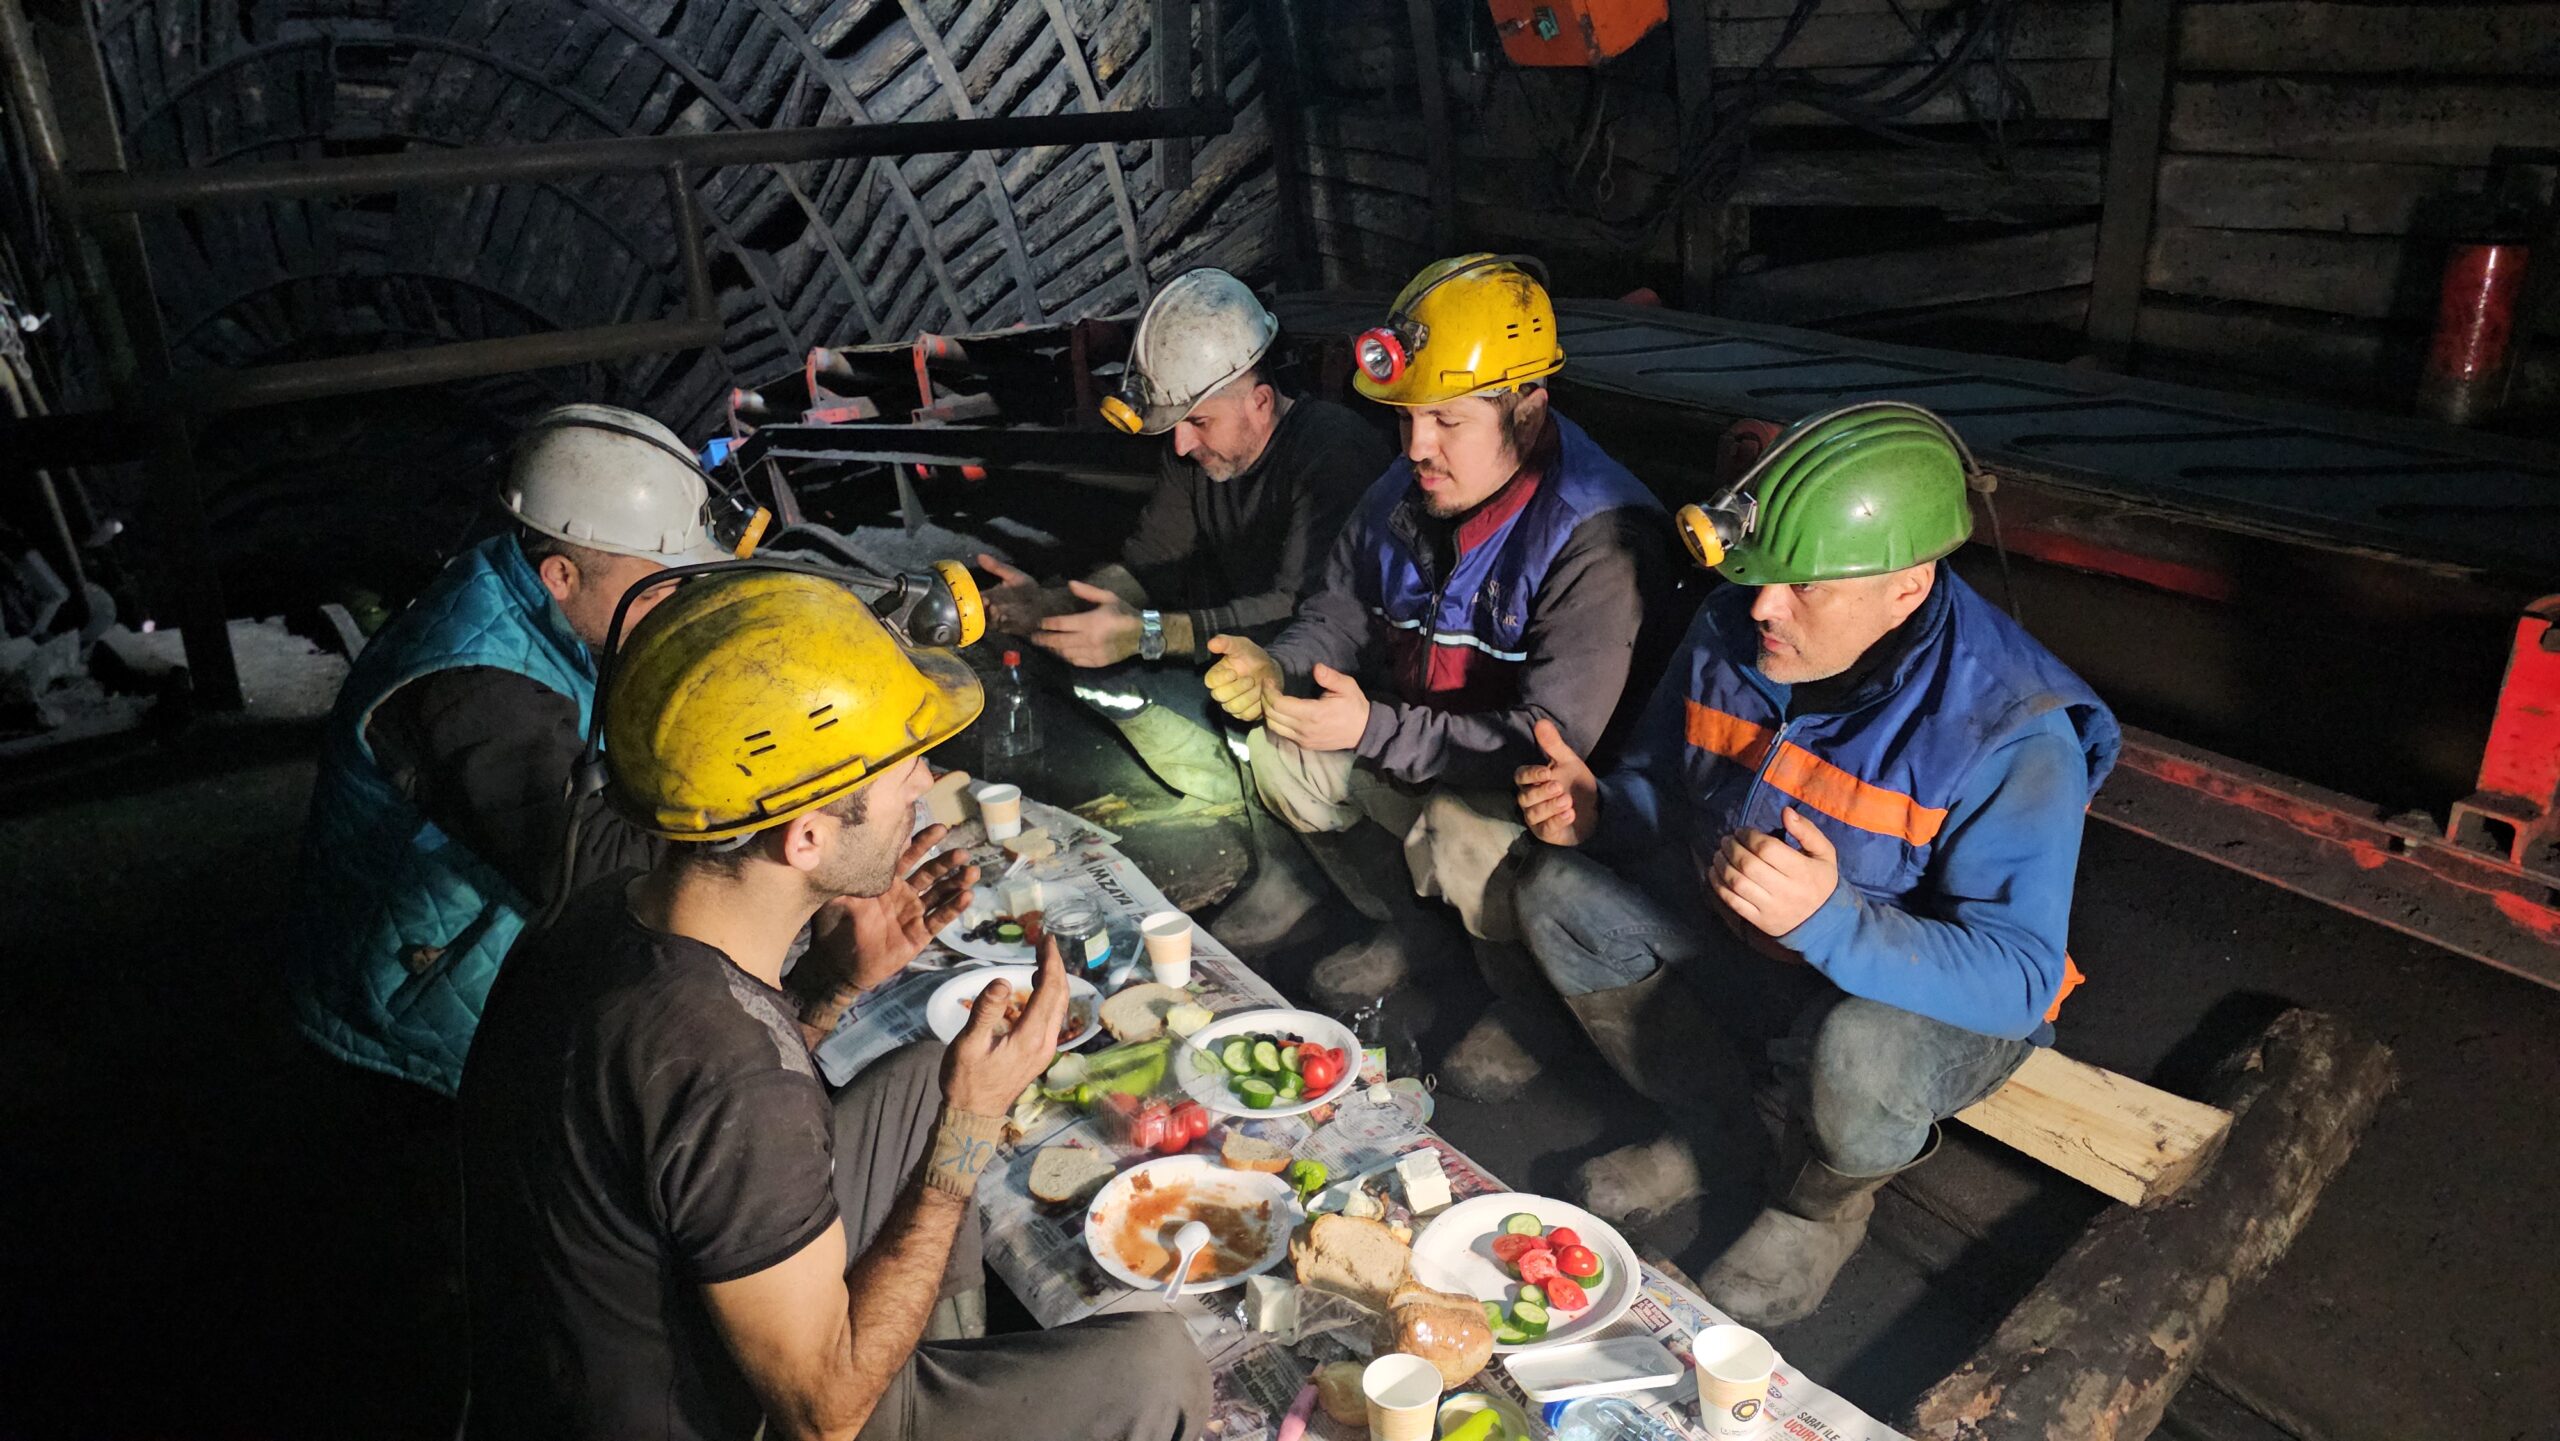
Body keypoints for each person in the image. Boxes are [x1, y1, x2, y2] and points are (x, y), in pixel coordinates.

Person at [459, 569, 1211, 1441]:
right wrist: (969, 1128)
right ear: (805, 835)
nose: (925, 782)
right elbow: (823, 1415)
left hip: (587, 1358)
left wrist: (830, 987)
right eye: (901, 769)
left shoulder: (601, 912)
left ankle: (930, 1363)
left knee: (928, 1076)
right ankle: (911, 1386)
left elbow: (694, 1138)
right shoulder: (729, 1077)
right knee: (1160, 1367)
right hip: (762, 1412)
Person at [1508, 401, 2121, 1326]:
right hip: (1756, 937)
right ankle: (1715, 1132)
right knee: (1558, 893)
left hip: (1920, 997)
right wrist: (1603, 812)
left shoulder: (2011, 729)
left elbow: (2024, 978)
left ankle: (1817, 1208)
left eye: (1805, 587)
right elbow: (1666, 794)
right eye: (1761, 578)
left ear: (1906, 588)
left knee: (1860, 1047)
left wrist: (1832, 921)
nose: (1762, 606)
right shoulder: (1734, 632)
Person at [1202, 254, 1674, 1008]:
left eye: (1446, 420)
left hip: (1539, 805)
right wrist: (1278, 666)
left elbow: (1540, 743)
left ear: (1527, 410)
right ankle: (1409, 936)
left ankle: (1523, 1012)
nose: (1416, 445)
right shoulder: (1415, 484)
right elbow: (1338, 612)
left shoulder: (1596, 535)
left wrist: (1371, 727)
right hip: (1420, 738)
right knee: (1280, 748)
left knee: (1459, 832)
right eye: (1405, 416)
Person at [288, 403, 745, 1095]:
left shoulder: (520, 587)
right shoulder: (474, 692)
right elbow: (601, 876)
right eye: (660, 581)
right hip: (414, 1010)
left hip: (466, 945)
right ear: (561, 573)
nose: (677, 599)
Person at [974, 267, 1391, 804]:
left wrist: (1148, 633)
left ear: (1260, 402)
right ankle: (1234, 772)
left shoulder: (1331, 452)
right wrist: (1054, 605)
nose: (1180, 445)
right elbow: (1151, 562)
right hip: (1233, 666)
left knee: (1255, 730)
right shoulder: (1198, 455)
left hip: (1320, 677)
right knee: (1072, 664)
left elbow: (1300, 613)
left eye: (1198, 421)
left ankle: (1253, 780)